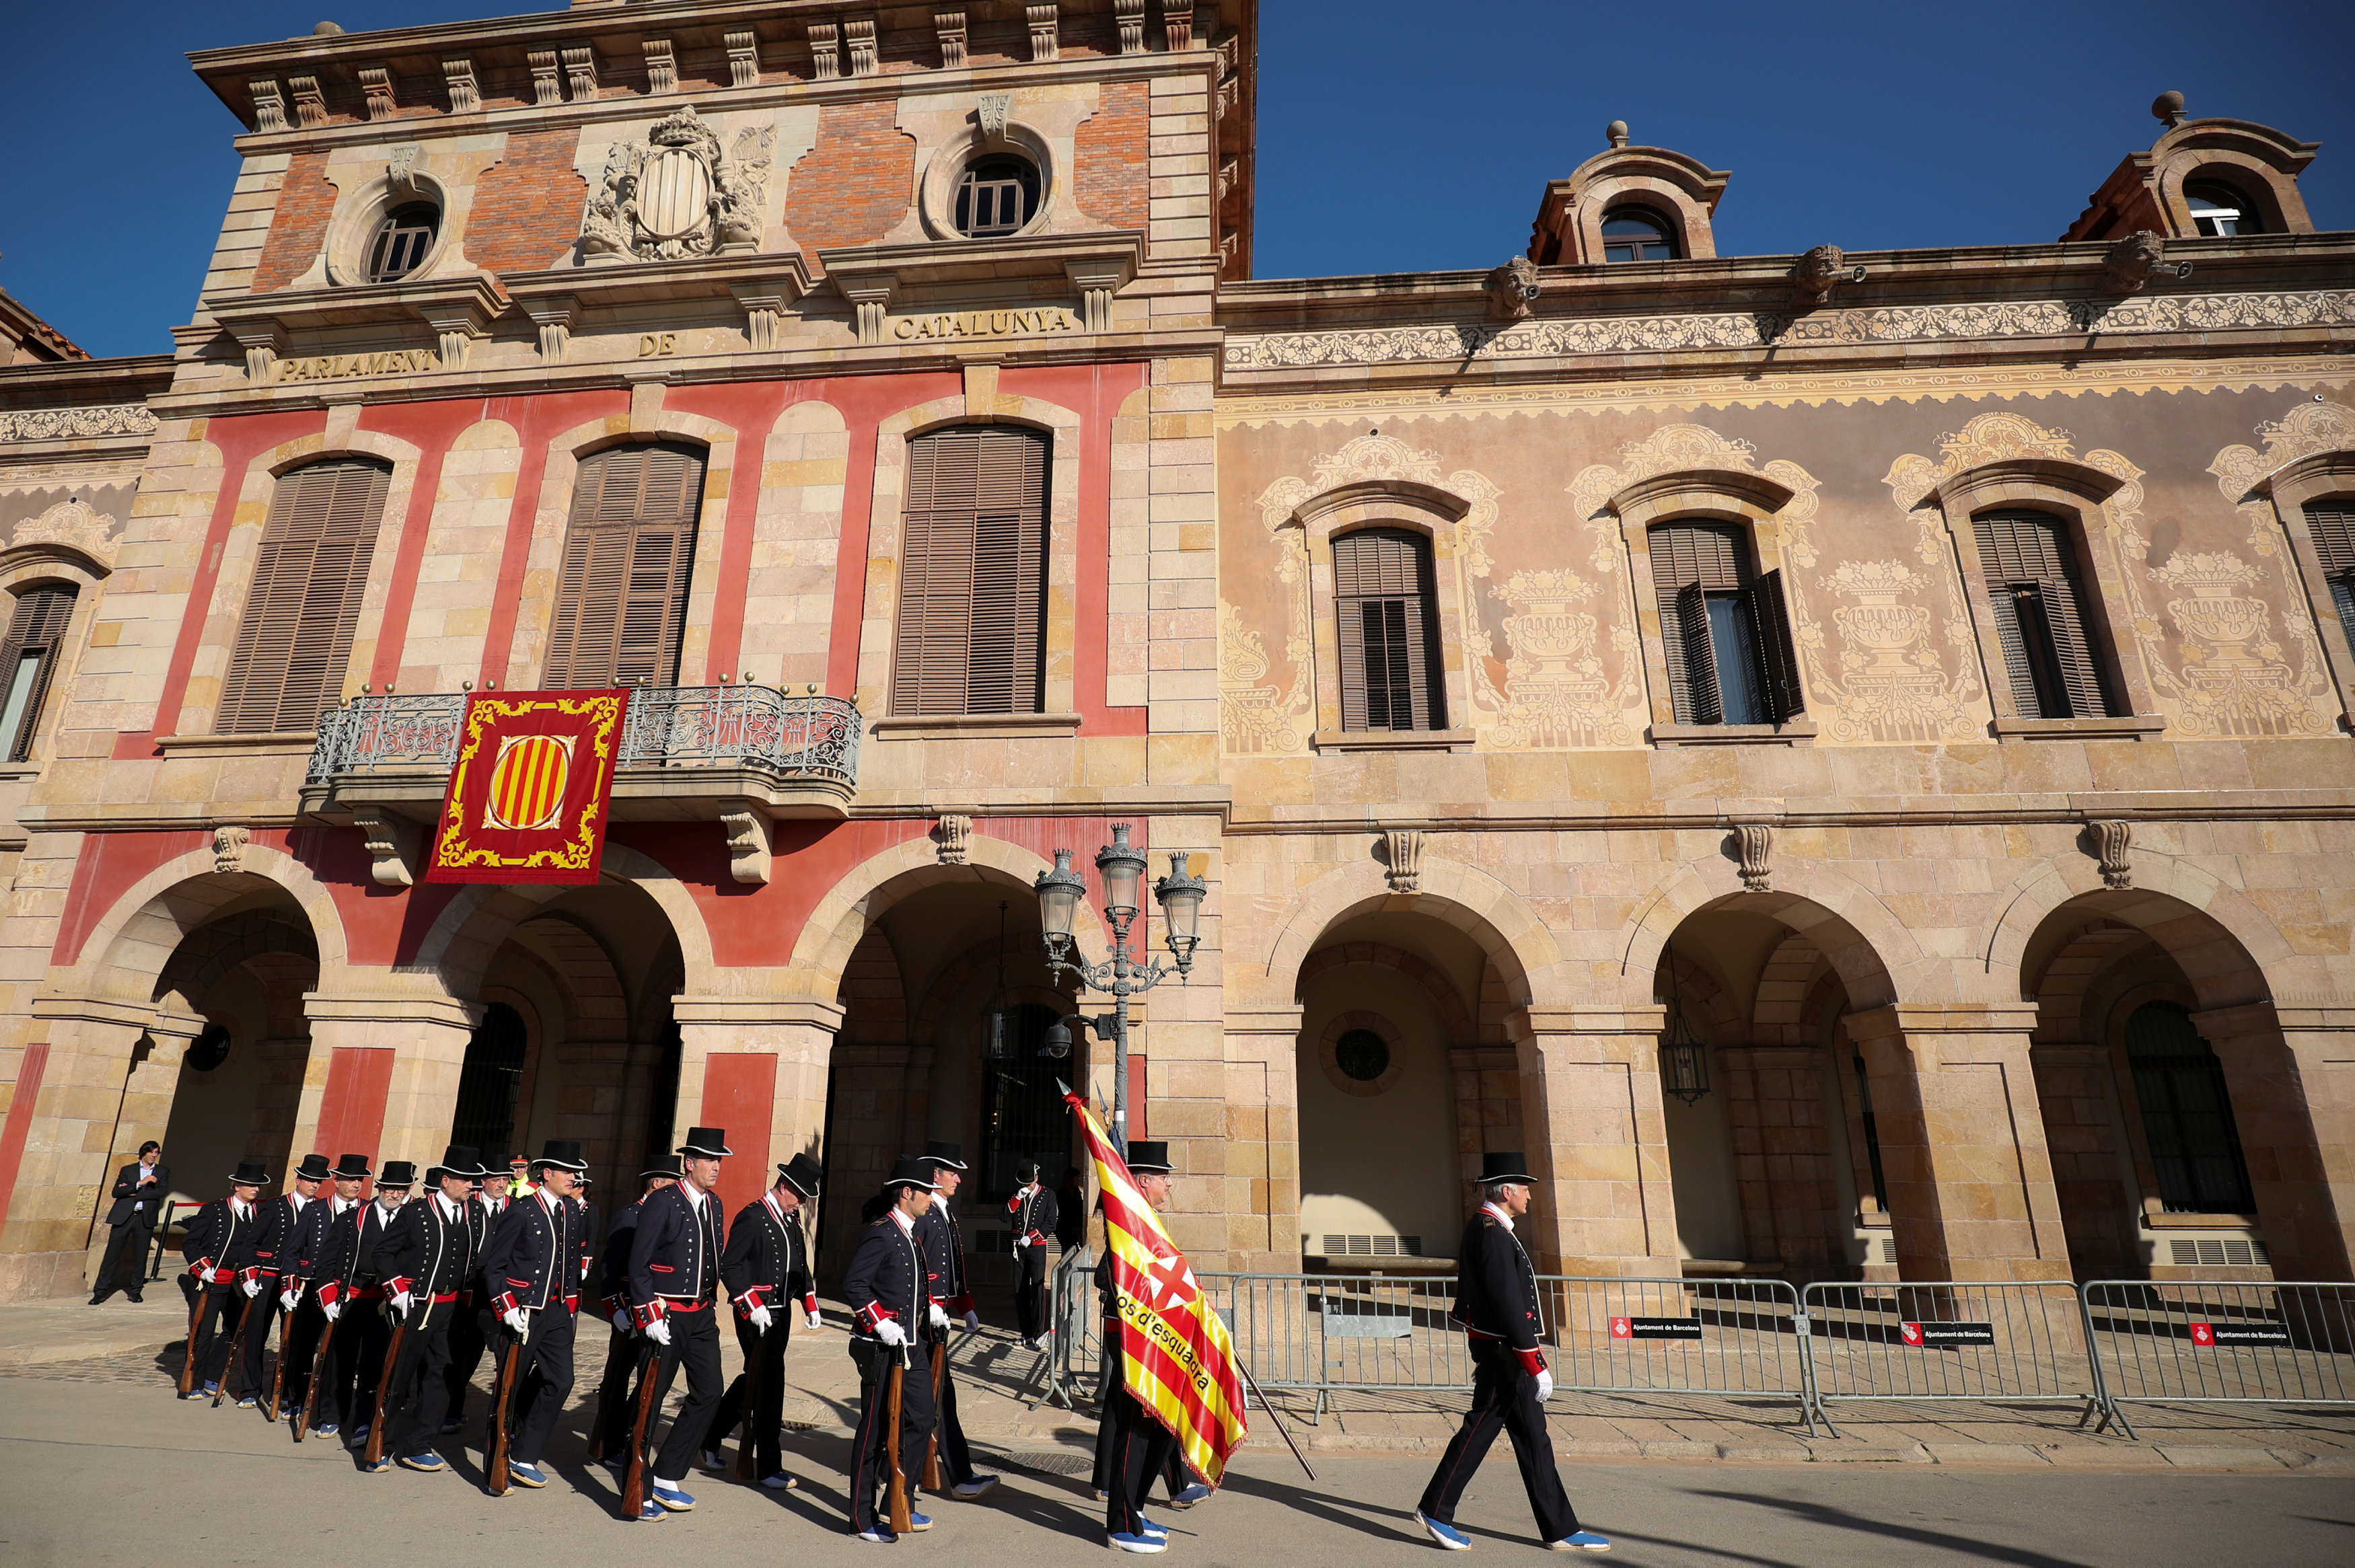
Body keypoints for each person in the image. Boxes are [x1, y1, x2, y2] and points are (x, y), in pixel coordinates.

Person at [1414, 1153, 1609, 1554]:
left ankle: (1560, 1527)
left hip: (1506, 1350)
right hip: (1504, 1353)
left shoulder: (1495, 1228)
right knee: (1479, 1430)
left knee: (1534, 1439)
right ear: (1506, 1192)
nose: (1529, 1197)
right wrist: (1534, 1362)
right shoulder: (1491, 1232)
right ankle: (1435, 1509)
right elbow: (1508, 1302)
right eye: (1524, 1190)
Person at [1093, 1141, 1198, 1553]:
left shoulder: (1146, 1220)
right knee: (1134, 1427)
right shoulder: (1130, 1224)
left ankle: (1133, 1507)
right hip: (1134, 1342)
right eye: (1164, 1177)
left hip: (1156, 1341)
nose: (1170, 1185)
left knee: (1157, 1425)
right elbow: (1119, 1279)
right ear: (1143, 1181)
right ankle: (1120, 1523)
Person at [626, 1127, 734, 1522]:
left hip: (701, 1314)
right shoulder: (664, 1201)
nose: (717, 1167)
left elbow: (716, 1258)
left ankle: (668, 1473)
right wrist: (647, 1312)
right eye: (710, 1160)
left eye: (720, 1161)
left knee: (709, 1392)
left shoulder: (715, 1204)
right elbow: (638, 1263)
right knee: (650, 1401)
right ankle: (636, 1484)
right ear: (690, 1163)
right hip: (665, 1314)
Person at [477, 1140, 591, 1491]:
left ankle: (525, 1453)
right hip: (524, 1310)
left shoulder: (572, 1211)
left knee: (561, 1380)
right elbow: (494, 1267)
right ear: (548, 1174)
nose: (574, 1177)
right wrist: (507, 1306)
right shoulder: (522, 1210)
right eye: (568, 1171)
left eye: (576, 1172)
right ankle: (496, 1456)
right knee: (508, 1385)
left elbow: (571, 1262)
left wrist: (571, 1303)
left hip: (557, 1310)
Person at [843, 1156, 943, 1544]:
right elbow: (855, 1285)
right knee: (874, 1430)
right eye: (926, 1193)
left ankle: (899, 1497)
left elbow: (913, 1283)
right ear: (907, 1193)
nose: (931, 1200)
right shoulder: (882, 1232)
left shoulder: (911, 1233)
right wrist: (879, 1321)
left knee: (922, 1419)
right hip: (881, 1346)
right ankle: (861, 1516)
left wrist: (930, 1307)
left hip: (912, 1345)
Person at [367, 1145, 484, 1474]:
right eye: (464, 1180)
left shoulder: (473, 1214)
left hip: (452, 1308)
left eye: (473, 1181)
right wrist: (398, 1290)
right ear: (445, 1180)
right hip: (418, 1306)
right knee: (398, 1376)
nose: (470, 1186)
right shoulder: (415, 1212)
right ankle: (382, 1442)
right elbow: (383, 1254)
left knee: (442, 1377)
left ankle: (419, 1444)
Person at [709, 1152, 824, 1487]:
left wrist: (809, 1301)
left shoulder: (791, 1220)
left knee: (755, 1379)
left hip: (781, 1313)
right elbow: (730, 1266)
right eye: (799, 1195)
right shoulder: (754, 1216)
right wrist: (750, 1303)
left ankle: (710, 1434)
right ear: (784, 1187)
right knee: (771, 1385)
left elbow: (800, 1264)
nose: (800, 1203)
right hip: (755, 1315)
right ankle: (769, 1466)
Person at [913, 1142, 997, 1501]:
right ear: (936, 1175)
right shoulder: (928, 1214)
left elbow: (953, 1268)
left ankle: (903, 1469)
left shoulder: (943, 1213)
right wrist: (931, 1307)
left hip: (941, 1315)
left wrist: (966, 1306)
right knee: (934, 1398)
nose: (959, 1179)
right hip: (924, 1319)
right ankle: (957, 1476)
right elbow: (916, 1268)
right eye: (953, 1173)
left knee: (932, 1398)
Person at [591, 1165, 678, 1472]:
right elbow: (610, 1268)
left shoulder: (668, 1214)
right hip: (629, 1309)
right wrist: (615, 1308)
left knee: (644, 1379)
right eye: (671, 1183)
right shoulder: (631, 1216)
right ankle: (608, 1441)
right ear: (656, 1182)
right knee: (617, 1378)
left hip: (653, 1310)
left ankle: (625, 1437)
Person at [310, 1153, 388, 1442]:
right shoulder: (349, 1219)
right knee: (339, 1359)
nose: (356, 1184)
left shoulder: (397, 1219)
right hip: (349, 1295)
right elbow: (327, 1260)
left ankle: (364, 1422)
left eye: (360, 1180)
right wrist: (329, 1296)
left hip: (380, 1300)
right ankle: (331, 1415)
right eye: (352, 1179)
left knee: (372, 1363)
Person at [178, 1158, 269, 1399]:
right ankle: (195, 1381)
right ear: (236, 1186)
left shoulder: (260, 1213)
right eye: (250, 1185)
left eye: (258, 1186)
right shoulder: (215, 1210)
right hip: (211, 1279)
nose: (255, 1189)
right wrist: (202, 1267)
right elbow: (191, 1243)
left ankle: (212, 1375)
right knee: (204, 1332)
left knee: (234, 1330)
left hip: (239, 1282)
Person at [275, 1152, 339, 1427]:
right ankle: (295, 1397)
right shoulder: (315, 1211)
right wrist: (289, 1287)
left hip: (340, 1289)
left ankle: (326, 1403)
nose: (314, 1185)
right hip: (309, 1284)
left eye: (318, 1181)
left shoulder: (362, 1210)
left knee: (334, 1351)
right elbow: (292, 1251)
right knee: (301, 1345)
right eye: (310, 1180)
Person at [439, 1156, 500, 1433]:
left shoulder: (515, 1208)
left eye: (505, 1180)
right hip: (469, 1288)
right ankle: (450, 1407)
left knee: (485, 1352)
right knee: (459, 1350)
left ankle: (501, 1415)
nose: (501, 1185)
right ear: (483, 1182)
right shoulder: (470, 1208)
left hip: (497, 1291)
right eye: (495, 1180)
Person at [92, 1140, 168, 1306]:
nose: (154, 1156)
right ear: (144, 1153)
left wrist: (135, 1194)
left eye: (157, 1153)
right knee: (112, 1254)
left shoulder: (162, 1172)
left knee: (140, 1256)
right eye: (151, 1152)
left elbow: (161, 1192)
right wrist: (141, 1183)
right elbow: (117, 1192)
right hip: (124, 1216)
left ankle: (135, 1291)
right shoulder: (129, 1170)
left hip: (144, 1217)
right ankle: (100, 1292)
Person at [1007, 1160, 1059, 1348]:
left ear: (1036, 1178)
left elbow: (1051, 1223)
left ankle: (1038, 1333)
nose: (1027, 1186)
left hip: (1036, 1247)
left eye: (1030, 1183)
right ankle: (1026, 1333)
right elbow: (1004, 1216)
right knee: (1019, 1290)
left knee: (1037, 1289)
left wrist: (1032, 1237)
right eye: (1024, 1183)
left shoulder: (1048, 1195)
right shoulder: (1017, 1195)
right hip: (1017, 1249)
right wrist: (1017, 1199)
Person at [1055, 1166, 1085, 1250]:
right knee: (1067, 1251)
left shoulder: (1076, 1191)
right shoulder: (1063, 1193)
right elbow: (1066, 1211)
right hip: (1066, 1229)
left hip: (1075, 1228)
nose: (1079, 1180)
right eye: (1077, 1178)